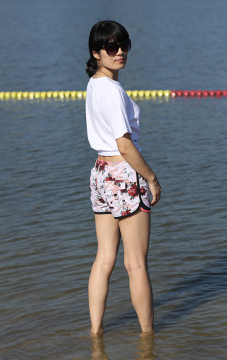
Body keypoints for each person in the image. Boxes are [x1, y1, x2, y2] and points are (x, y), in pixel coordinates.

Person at [85, 20, 161, 334]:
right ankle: (147, 339)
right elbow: (125, 145)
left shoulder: (93, 85)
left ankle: (95, 333)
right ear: (96, 53)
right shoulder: (112, 90)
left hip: (100, 173)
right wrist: (152, 178)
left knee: (104, 258)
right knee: (136, 263)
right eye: (112, 48)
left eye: (124, 45)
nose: (120, 53)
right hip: (123, 175)